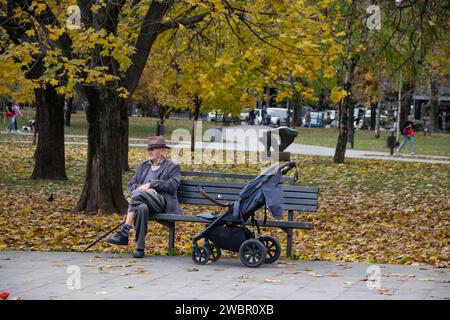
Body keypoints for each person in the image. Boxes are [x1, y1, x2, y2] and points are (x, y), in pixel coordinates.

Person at [106, 136, 181, 258]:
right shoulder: (142, 166)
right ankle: (139, 248)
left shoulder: (172, 166)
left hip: (161, 202)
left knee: (137, 194)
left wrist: (151, 184)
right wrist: (144, 189)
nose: (149, 151)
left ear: (162, 151)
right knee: (141, 208)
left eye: (153, 149)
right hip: (142, 201)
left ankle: (125, 230)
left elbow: (173, 185)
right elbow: (131, 184)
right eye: (148, 149)